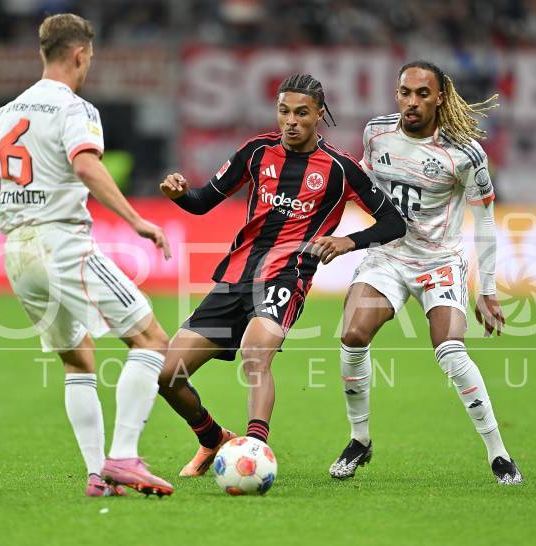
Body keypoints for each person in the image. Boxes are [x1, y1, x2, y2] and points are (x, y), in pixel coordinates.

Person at [0, 13, 174, 497]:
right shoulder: (76, 108)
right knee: (152, 340)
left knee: (78, 359)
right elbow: (86, 166)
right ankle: (124, 456)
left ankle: (98, 475)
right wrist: (136, 220)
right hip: (62, 243)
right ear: (79, 54)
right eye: (89, 58)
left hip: (17, 253)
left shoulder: (7, 111)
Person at [157, 73, 406, 477]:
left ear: (319, 115)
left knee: (256, 355)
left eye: (302, 113)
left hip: (287, 277)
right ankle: (213, 438)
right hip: (236, 277)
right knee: (168, 376)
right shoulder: (256, 152)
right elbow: (203, 202)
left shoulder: (340, 169)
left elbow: (393, 222)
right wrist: (180, 195)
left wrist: (348, 241)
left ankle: (255, 450)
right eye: (284, 111)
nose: (291, 121)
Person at [328, 60, 522, 485]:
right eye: (405, 92)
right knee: (353, 334)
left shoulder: (466, 152)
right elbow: (361, 186)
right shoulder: (376, 133)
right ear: (396, 94)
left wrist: (487, 288)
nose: (412, 102)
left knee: (450, 349)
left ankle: (499, 453)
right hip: (389, 256)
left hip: (439, 261)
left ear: (439, 97)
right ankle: (359, 439)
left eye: (422, 93)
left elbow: (485, 221)